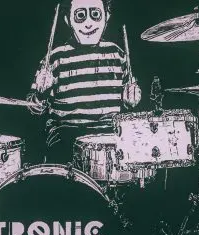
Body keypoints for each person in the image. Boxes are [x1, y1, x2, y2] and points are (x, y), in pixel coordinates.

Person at [27, 0, 142, 151]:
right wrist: (41, 94)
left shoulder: (118, 54)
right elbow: (33, 107)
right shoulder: (55, 57)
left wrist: (131, 101)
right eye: (80, 15)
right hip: (67, 134)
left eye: (95, 14)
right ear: (68, 20)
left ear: (106, 16)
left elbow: (128, 103)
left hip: (108, 133)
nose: (88, 23)